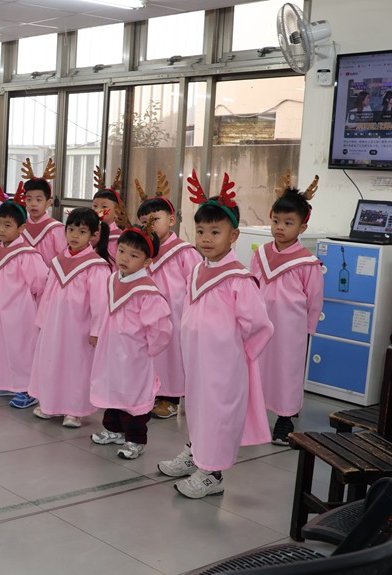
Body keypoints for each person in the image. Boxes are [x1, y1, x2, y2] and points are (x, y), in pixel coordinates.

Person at [158, 172, 273, 499]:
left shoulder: (238, 279)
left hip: (224, 363)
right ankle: (196, 452)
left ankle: (213, 473)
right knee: (198, 409)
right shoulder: (199, 269)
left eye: (215, 232)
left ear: (233, 235)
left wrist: (236, 354)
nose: (206, 238)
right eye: (200, 231)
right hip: (197, 359)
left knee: (218, 413)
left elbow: (260, 325)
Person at [250, 182, 323, 445]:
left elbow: (314, 298)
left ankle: (285, 418)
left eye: (288, 223)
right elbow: (251, 287)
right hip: (259, 325)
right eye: (276, 221)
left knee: (286, 370)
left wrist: (308, 329)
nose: (280, 227)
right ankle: (253, 414)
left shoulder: (307, 262)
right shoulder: (260, 254)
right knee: (256, 368)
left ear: (302, 228)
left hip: (290, 329)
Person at [90, 225, 171, 460]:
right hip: (112, 349)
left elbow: (159, 328)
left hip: (135, 353)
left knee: (133, 395)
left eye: (134, 255)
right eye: (122, 251)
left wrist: (147, 350)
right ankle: (114, 430)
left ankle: (135, 440)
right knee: (113, 387)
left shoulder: (147, 291)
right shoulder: (113, 279)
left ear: (147, 262)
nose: (124, 258)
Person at [28, 208, 111, 428]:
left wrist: (96, 330)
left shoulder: (96, 266)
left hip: (79, 327)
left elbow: (100, 302)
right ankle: (50, 404)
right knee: (51, 362)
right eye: (71, 229)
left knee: (76, 366)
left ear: (93, 235)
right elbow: (48, 293)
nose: (74, 235)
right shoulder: (58, 261)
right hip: (54, 324)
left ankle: (74, 410)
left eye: (82, 231)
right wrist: (42, 320)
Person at [136, 188, 202, 420]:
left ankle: (171, 398)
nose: (150, 226)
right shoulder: (143, 252)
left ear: (171, 220)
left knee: (172, 355)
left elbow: (196, 285)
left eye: (155, 219)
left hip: (175, 315)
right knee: (150, 351)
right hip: (148, 314)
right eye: (144, 222)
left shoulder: (184, 252)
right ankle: (152, 392)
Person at [0, 200, 48, 408]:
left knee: (22, 348)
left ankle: (28, 389)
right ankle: (6, 382)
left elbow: (40, 282)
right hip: (0, 309)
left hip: (21, 311)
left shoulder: (26, 254)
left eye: (8, 225)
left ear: (21, 228)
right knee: (2, 345)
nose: (1, 229)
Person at [20, 176, 66, 265]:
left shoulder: (57, 229)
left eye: (38, 200)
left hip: (50, 273)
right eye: (29, 199)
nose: (33, 204)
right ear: (24, 201)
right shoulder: (20, 227)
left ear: (48, 203)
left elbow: (63, 258)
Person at [91, 187, 126, 265]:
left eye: (104, 207)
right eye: (95, 206)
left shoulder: (119, 239)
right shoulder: (87, 233)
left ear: (116, 212)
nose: (97, 210)